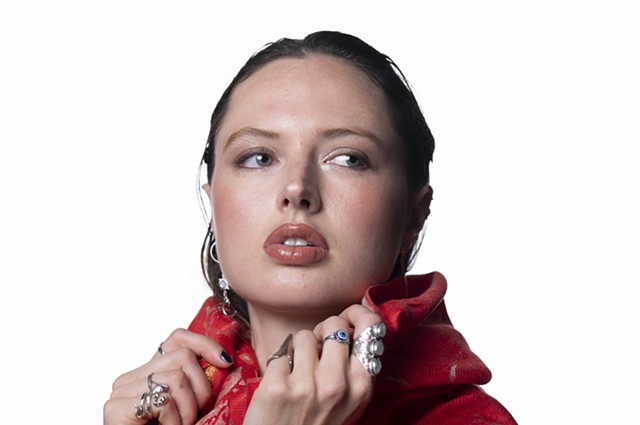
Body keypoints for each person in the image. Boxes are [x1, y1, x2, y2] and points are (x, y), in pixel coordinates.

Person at [104, 31, 517, 425]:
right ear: (213, 203)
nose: (297, 189)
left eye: (349, 158)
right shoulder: (169, 404)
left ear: (414, 215)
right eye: (259, 158)